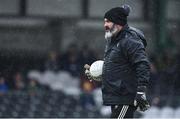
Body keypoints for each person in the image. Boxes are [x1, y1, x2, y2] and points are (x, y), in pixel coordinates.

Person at [84, 5, 150, 118]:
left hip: (124, 98)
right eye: (104, 22)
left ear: (118, 23)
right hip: (117, 98)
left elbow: (142, 64)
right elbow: (117, 68)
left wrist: (141, 91)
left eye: (108, 21)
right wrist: (96, 73)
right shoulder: (113, 41)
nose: (105, 25)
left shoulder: (129, 40)